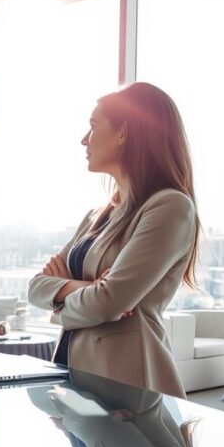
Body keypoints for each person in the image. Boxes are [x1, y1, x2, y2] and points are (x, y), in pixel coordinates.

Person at [27, 82, 200, 400]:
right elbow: (35, 288)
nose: (84, 139)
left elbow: (108, 301)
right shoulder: (97, 214)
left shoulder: (169, 207)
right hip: (73, 373)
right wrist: (84, 290)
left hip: (126, 381)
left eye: (93, 127)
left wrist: (68, 297)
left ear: (124, 133)